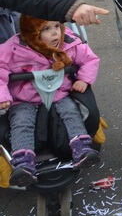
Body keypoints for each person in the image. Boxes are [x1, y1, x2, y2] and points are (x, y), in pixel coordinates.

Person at [0, 14, 101, 186]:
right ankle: (23, 162)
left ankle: (81, 148)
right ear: (32, 33)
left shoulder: (68, 42)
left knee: (70, 111)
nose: (55, 33)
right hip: (24, 97)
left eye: (56, 26)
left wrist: (83, 79)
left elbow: (90, 59)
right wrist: (3, 96)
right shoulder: (14, 48)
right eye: (46, 29)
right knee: (22, 121)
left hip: (59, 92)